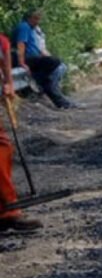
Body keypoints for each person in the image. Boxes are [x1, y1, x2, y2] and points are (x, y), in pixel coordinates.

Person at [0, 35, 42, 233]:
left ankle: (6, 209)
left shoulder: (2, 42)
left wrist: (8, 84)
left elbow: (5, 63)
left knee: (3, 148)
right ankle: (8, 211)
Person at [12, 10, 74, 109]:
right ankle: (37, 79)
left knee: (48, 79)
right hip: (25, 58)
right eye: (36, 19)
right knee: (54, 62)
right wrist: (21, 63)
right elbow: (21, 45)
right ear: (29, 18)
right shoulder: (24, 27)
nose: (38, 21)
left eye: (39, 19)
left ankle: (62, 103)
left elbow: (39, 48)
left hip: (32, 58)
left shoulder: (31, 29)